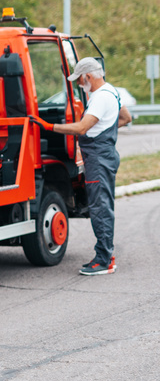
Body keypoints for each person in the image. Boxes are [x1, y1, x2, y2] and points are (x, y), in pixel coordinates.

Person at [30, 57, 132, 275]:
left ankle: (104, 261)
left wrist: (49, 126)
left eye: (79, 79)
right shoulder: (111, 91)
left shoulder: (99, 98)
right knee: (103, 205)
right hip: (105, 154)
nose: (78, 84)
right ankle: (107, 255)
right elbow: (126, 117)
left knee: (99, 208)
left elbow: (82, 128)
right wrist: (106, 129)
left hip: (98, 158)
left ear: (88, 76)